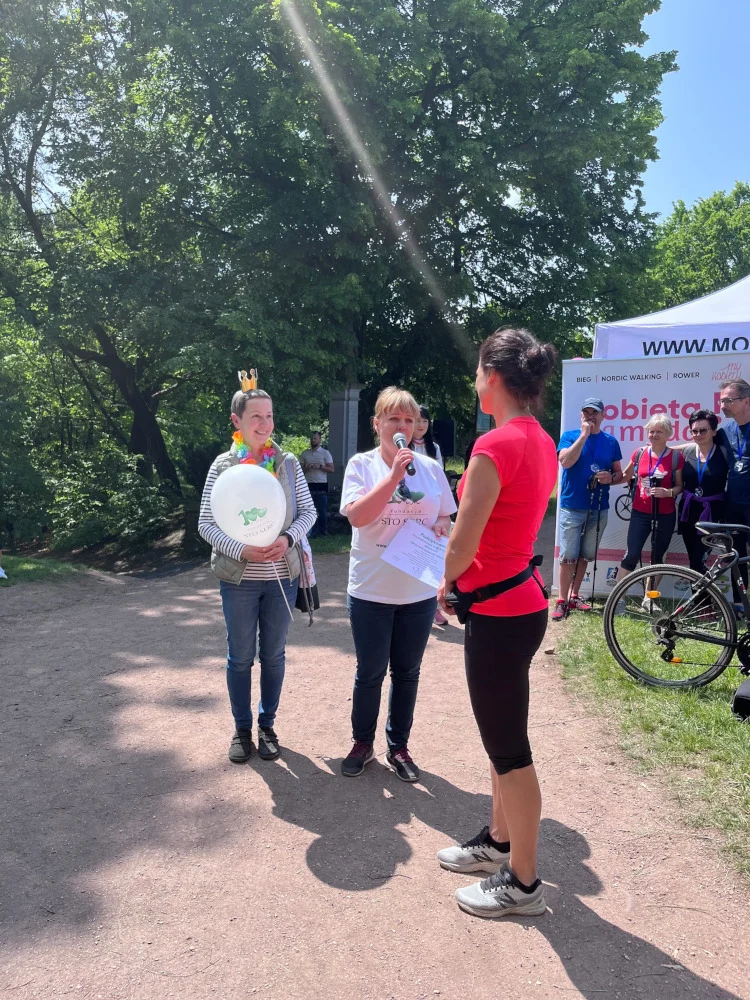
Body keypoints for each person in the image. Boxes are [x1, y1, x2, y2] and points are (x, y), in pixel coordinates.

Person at [436, 326, 558, 920]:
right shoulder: (541, 440)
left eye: (477, 372)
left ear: (492, 375)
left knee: (510, 750)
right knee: (502, 738)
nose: (474, 382)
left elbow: (463, 543)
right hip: (521, 604)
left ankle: (523, 884)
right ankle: (498, 841)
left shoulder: (494, 445)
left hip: (499, 612)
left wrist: (445, 581)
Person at [199, 370, 316, 764]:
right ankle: (242, 729)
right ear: (237, 421)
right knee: (240, 657)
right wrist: (241, 550)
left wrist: (288, 539)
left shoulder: (287, 463)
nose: (265, 424)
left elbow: (308, 512)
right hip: (239, 579)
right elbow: (206, 524)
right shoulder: (222, 467)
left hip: (282, 576)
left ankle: (267, 726)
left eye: (269, 416)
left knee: (274, 655)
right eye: (256, 417)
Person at [339, 386, 456, 781]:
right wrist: (392, 477)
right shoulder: (361, 466)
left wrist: (441, 526)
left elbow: (446, 516)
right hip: (370, 589)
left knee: (407, 672)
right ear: (377, 424)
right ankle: (362, 743)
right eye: (394, 419)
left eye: (409, 420)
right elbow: (357, 517)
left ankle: (399, 746)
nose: (403, 426)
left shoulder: (431, 468)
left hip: (417, 592)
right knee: (370, 672)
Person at [553, 398, 624, 621]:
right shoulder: (570, 436)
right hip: (572, 506)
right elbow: (565, 462)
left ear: (603, 416)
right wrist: (584, 436)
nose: (590, 416)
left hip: (598, 507)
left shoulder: (611, 442)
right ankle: (562, 600)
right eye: (586, 412)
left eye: (595, 412)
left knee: (585, 554)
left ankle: (574, 596)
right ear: (581, 415)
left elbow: (619, 474)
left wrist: (610, 477)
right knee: (568, 556)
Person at [616, 414, 683, 610]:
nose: (654, 435)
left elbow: (680, 486)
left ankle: (649, 599)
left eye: (659, 432)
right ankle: (618, 599)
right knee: (632, 554)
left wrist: (668, 492)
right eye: (651, 431)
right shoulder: (639, 453)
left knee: (658, 557)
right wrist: (607, 479)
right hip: (640, 512)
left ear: (668, 434)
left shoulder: (676, 458)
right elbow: (625, 475)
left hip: (665, 514)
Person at [677, 410, 728, 573]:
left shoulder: (724, 453)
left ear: (714, 431)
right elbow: (664, 450)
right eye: (694, 431)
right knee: (693, 559)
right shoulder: (687, 451)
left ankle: (701, 590)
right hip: (688, 510)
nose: (698, 434)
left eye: (703, 430)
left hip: (712, 512)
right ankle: (700, 591)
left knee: (698, 560)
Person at [715, 380, 750, 599]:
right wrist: (665, 449)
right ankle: (740, 606)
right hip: (733, 506)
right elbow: (699, 444)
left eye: (728, 401)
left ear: (746, 401)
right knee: (735, 557)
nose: (722, 406)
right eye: (721, 401)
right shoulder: (725, 431)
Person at [300, 431, 334, 538]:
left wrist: (320, 467)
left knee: (322, 509)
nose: (313, 440)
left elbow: (332, 469)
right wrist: (307, 468)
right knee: (310, 509)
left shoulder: (325, 453)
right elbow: (299, 471)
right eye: (312, 438)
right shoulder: (305, 453)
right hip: (308, 484)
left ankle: (323, 531)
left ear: (319, 440)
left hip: (321, 484)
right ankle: (311, 532)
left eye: (315, 438)